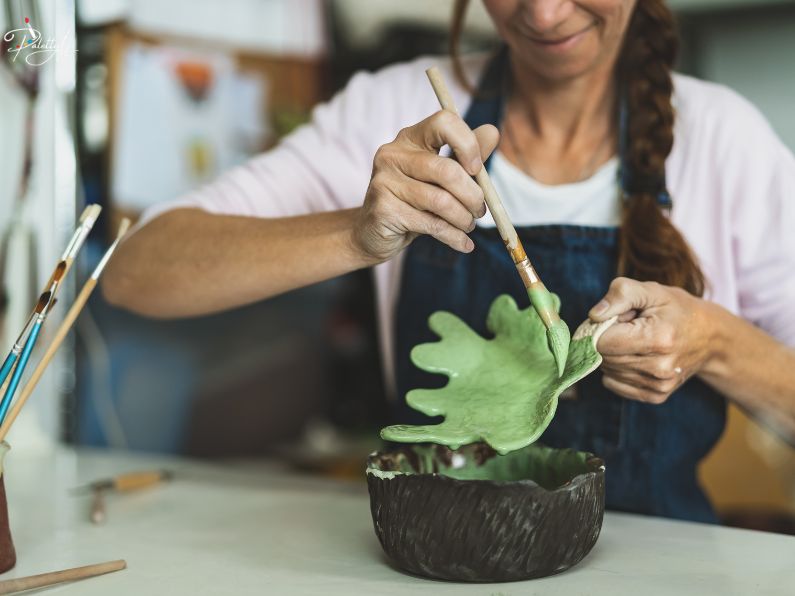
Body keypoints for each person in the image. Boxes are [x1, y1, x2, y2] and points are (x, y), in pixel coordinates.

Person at [103, 0, 795, 523]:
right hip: (440, 560)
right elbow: (137, 273)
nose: (544, 13)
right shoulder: (389, 110)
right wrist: (358, 235)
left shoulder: (723, 141)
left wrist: (716, 344)